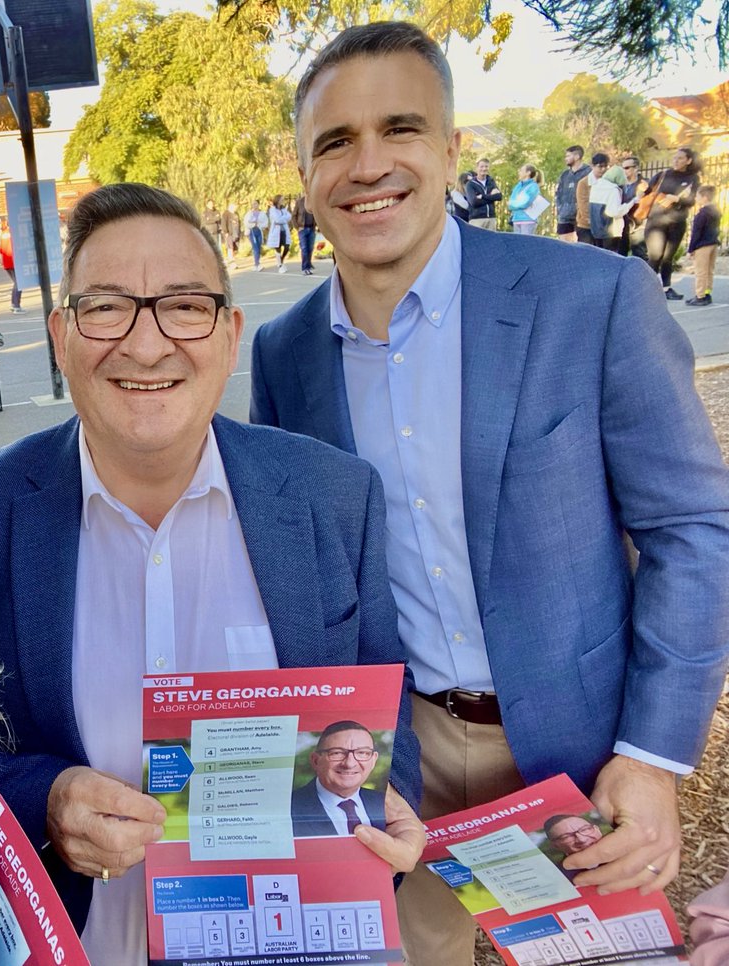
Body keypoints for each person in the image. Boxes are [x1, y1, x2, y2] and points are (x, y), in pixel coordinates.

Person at [249, 21, 729, 966]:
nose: (368, 163)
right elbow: (310, 574)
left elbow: (693, 530)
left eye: (401, 128)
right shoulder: (283, 354)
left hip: (583, 753)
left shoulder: (593, 298)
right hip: (401, 758)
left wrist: (655, 755)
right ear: (304, 175)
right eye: (334, 142)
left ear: (453, 148)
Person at [0, 182, 424, 966]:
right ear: (61, 335)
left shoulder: (334, 497)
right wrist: (42, 800)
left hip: (290, 942)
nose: (147, 344)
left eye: (184, 306)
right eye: (106, 308)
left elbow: (385, 716)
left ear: (229, 335)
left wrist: (393, 810)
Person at [291, 721, 387, 838]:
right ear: (316, 760)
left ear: (373, 761)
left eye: (362, 753)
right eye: (337, 753)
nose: (349, 764)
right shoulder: (288, 808)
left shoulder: (385, 803)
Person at [644, 146, 701, 301]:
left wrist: (677, 199)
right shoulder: (663, 175)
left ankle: (666, 288)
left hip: (676, 222)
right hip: (656, 222)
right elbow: (646, 192)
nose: (676, 161)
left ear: (688, 161)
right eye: (675, 157)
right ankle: (646, 288)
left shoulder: (693, 178)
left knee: (667, 257)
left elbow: (692, 200)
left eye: (680, 158)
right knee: (655, 256)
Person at [686, 184, 719, 306]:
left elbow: (696, 233)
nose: (696, 199)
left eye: (698, 196)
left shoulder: (702, 214)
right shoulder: (716, 212)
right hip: (713, 243)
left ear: (705, 197)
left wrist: (691, 249)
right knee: (709, 270)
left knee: (700, 271)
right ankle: (707, 292)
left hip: (702, 245)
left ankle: (700, 295)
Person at [589, 165, 634, 253]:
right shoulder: (613, 189)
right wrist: (629, 204)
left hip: (596, 229)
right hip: (610, 231)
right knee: (611, 257)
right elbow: (614, 212)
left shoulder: (595, 186)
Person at [554, 146, 590, 242]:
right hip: (564, 217)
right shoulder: (565, 175)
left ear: (577, 156)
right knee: (564, 247)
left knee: (580, 248)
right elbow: (558, 193)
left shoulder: (588, 172)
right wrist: (560, 209)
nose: (566, 159)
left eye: (568, 156)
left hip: (581, 218)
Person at [0, 217, 24, 313]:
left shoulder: (3, 233)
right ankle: (16, 305)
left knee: (16, 283)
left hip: (7, 262)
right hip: (14, 261)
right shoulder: (15, 233)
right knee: (19, 283)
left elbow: (1, 249)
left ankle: (14, 304)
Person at [619, 157, 649, 259]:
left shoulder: (645, 184)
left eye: (627, 168)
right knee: (620, 255)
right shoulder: (620, 185)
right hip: (622, 225)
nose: (624, 171)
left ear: (636, 168)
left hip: (638, 225)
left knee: (639, 255)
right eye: (622, 168)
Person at [464, 159, 501, 230]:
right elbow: (474, 202)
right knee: (477, 240)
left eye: (486, 166)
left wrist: (482, 196)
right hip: (476, 219)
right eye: (481, 166)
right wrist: (491, 197)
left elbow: (499, 197)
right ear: (476, 168)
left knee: (491, 240)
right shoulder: (470, 184)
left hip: (491, 218)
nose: (484, 169)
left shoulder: (491, 182)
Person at [507, 165, 543, 235]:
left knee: (526, 244)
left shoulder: (533, 186)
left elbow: (525, 203)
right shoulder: (518, 186)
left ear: (528, 173)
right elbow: (511, 200)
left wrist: (512, 204)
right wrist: (513, 204)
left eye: (521, 170)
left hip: (528, 219)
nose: (519, 172)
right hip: (516, 219)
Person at [266, 194, 292, 272]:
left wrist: (282, 219)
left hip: (284, 230)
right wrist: (284, 219)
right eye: (281, 200)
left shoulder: (283, 209)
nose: (283, 201)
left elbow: (289, 217)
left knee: (287, 246)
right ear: (277, 200)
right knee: (278, 247)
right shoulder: (272, 209)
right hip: (276, 231)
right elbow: (277, 219)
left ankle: (281, 260)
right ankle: (280, 264)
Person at [293, 195, 319, 274]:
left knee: (310, 248)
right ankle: (304, 268)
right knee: (304, 248)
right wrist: (297, 227)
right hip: (302, 229)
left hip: (311, 229)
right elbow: (294, 215)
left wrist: (317, 226)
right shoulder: (300, 202)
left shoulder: (313, 201)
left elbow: (317, 215)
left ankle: (308, 266)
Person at [244, 199, 268, 271]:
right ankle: (256, 264)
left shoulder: (262, 213)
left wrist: (260, 225)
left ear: (258, 204)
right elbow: (246, 222)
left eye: (255, 204)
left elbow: (265, 223)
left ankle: (257, 263)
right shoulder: (249, 214)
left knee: (258, 246)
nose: (254, 205)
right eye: (253, 204)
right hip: (252, 232)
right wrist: (253, 224)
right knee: (255, 248)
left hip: (259, 231)